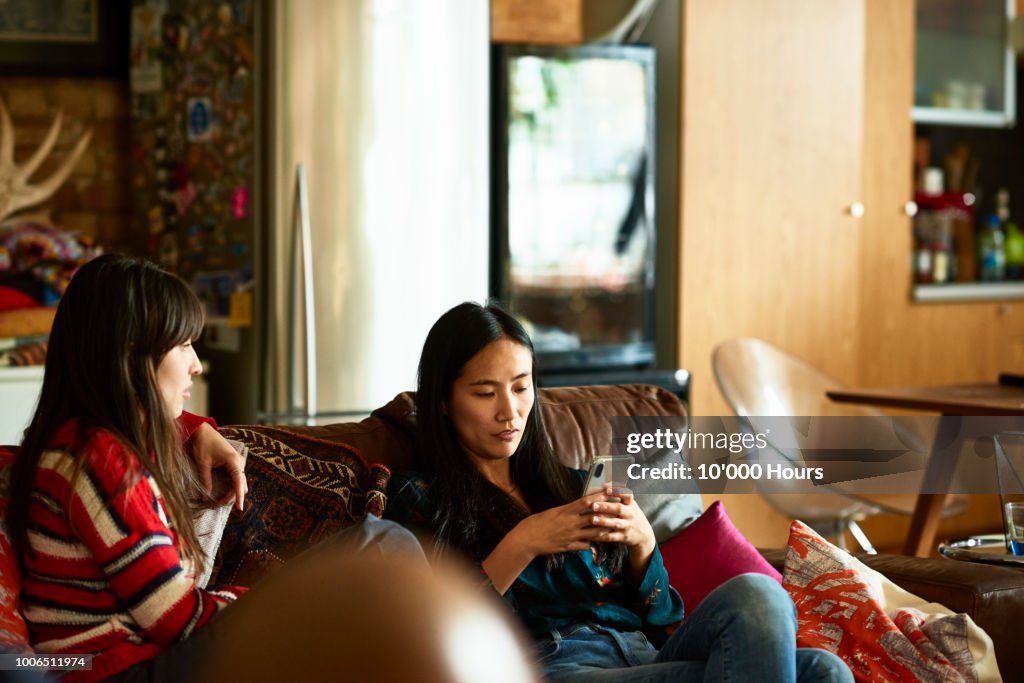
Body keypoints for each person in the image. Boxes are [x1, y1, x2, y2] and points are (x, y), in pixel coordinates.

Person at [5, 254, 431, 683]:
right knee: (380, 544)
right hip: (117, 672)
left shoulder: (77, 442)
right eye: (184, 345)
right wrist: (275, 597)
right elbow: (176, 618)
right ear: (132, 355)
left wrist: (197, 430)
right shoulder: (103, 459)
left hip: (123, 663)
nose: (197, 364)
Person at [387, 301, 854, 683]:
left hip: (644, 654)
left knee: (794, 634)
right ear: (444, 401)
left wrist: (642, 544)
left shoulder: (567, 485)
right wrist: (524, 541)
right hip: (557, 666)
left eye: (521, 388)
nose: (510, 412)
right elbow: (446, 629)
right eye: (485, 394)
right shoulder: (421, 497)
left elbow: (662, 615)